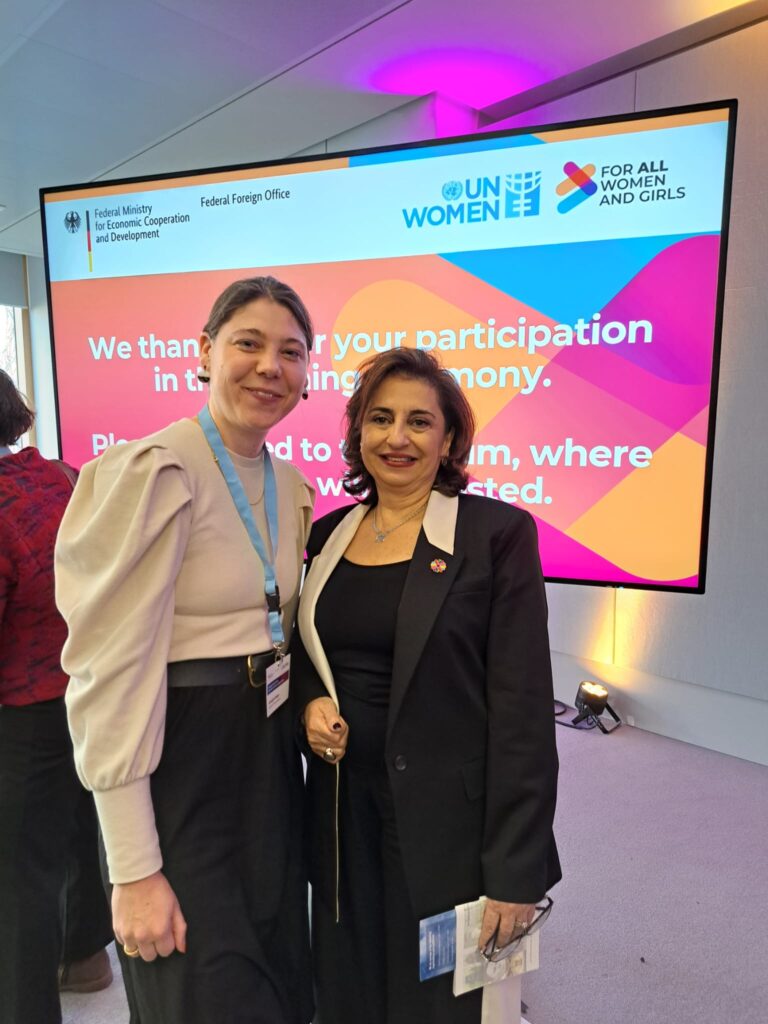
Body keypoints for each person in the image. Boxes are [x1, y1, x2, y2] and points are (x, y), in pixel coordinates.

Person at [54, 277, 316, 1024]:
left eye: (291, 352)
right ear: (205, 352)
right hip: (181, 758)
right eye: (248, 344)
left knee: (277, 977)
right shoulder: (156, 471)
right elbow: (110, 675)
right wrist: (133, 867)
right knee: (200, 990)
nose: (270, 366)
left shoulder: (289, 482)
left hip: (266, 753)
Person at [293, 348, 561, 1024]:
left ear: (448, 441)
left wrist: (516, 873)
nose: (398, 437)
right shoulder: (326, 535)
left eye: (419, 421)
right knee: (349, 984)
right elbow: (302, 649)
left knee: (437, 1000)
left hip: (448, 823)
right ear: (359, 432)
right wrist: (309, 702)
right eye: (380, 418)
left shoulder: (496, 535)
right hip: (342, 810)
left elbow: (523, 712)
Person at [0, 370, 113, 1024]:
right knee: (76, 833)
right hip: (88, 693)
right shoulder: (64, 477)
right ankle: (86, 956)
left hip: (21, 711)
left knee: (18, 876)